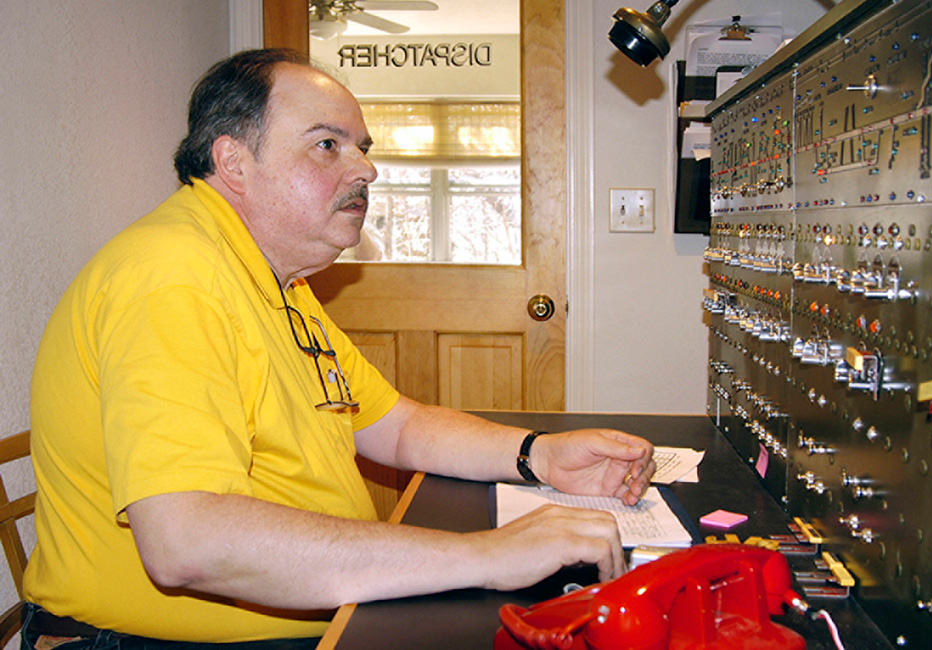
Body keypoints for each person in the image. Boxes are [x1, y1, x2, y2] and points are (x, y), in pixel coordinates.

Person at [23, 48, 655, 647]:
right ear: (234, 161)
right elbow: (187, 542)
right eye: (327, 144)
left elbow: (397, 427)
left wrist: (540, 456)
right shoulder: (173, 278)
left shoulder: (276, 283)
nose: (366, 168)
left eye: (362, 148)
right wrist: (486, 555)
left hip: (316, 618)